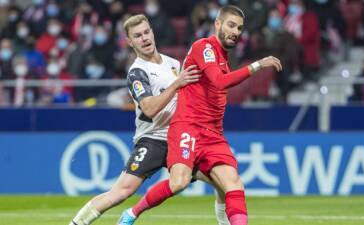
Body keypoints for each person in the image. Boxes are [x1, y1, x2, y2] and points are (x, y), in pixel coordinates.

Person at [118, 5, 282, 225]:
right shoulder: (204, 47)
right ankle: (132, 213)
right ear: (217, 24)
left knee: (233, 183)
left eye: (239, 28)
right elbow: (220, 81)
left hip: (213, 133)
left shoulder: (222, 56)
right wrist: (257, 65)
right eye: (231, 25)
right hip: (188, 127)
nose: (235, 31)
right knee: (179, 182)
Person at [68, 14, 230, 225]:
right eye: (137, 36)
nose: (144, 38)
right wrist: (176, 84)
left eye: (146, 32)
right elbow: (150, 108)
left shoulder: (173, 63)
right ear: (130, 42)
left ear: (152, 33)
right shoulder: (137, 72)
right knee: (121, 192)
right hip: (153, 138)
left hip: (181, 137)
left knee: (223, 182)